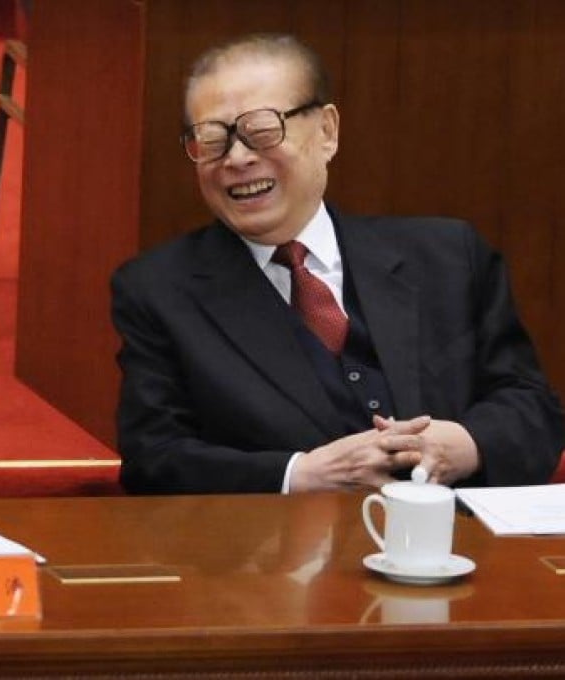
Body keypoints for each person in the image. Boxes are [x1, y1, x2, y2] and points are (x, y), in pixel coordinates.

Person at [111, 33, 562, 495]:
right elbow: (153, 460)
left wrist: (463, 445)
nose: (238, 158)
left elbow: (531, 407)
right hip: (275, 554)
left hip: (454, 544)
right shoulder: (158, 290)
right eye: (212, 140)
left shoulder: (447, 257)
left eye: (262, 131)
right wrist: (301, 475)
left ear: (327, 131)